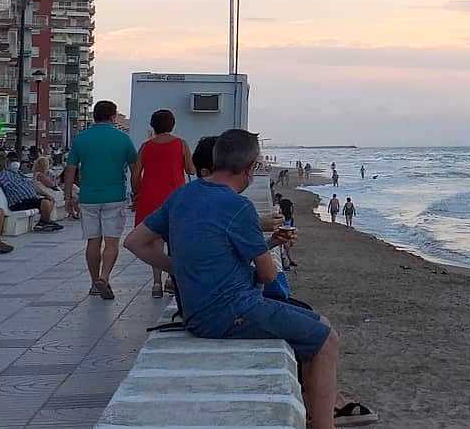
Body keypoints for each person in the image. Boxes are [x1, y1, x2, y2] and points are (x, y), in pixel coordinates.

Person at [123, 128, 344, 429]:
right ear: (251, 168)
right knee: (326, 340)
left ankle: (316, 410)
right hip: (230, 314)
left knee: (318, 326)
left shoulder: (183, 195)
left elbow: (134, 241)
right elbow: (267, 274)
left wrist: (181, 270)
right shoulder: (239, 207)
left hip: (197, 311)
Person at [64, 100, 138, 301]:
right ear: (113, 116)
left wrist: (68, 196)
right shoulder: (123, 139)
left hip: (88, 197)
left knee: (93, 241)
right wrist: (136, 192)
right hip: (114, 196)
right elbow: (135, 169)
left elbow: (70, 170)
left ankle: (94, 282)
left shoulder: (81, 139)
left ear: (94, 116)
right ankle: (104, 277)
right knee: (112, 242)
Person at [131, 108, 194, 297]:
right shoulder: (181, 144)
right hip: (175, 198)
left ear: (153, 125)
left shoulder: (145, 147)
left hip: (150, 198)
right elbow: (191, 170)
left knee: (154, 242)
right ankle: (170, 279)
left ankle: (156, 284)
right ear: (172, 125)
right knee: (174, 240)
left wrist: (137, 192)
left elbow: (135, 175)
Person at [0, 153, 63, 232]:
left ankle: (44, 221)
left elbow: (33, 186)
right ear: (7, 162)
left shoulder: (19, 173)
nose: (16, 163)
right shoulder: (5, 174)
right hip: (19, 202)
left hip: (30, 199)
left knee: (50, 199)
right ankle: (44, 223)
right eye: (13, 161)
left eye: (17, 160)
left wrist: (46, 194)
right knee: (45, 202)